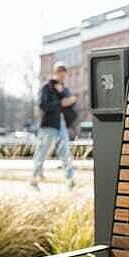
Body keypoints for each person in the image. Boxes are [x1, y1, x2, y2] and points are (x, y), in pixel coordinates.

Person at [31, 61, 77, 191]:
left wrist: (67, 99)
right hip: (48, 125)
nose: (62, 77)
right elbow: (42, 105)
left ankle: (70, 180)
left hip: (61, 124)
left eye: (64, 75)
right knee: (42, 152)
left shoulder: (65, 89)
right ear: (55, 73)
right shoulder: (47, 87)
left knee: (65, 151)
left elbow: (69, 106)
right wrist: (61, 102)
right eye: (60, 74)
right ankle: (34, 179)